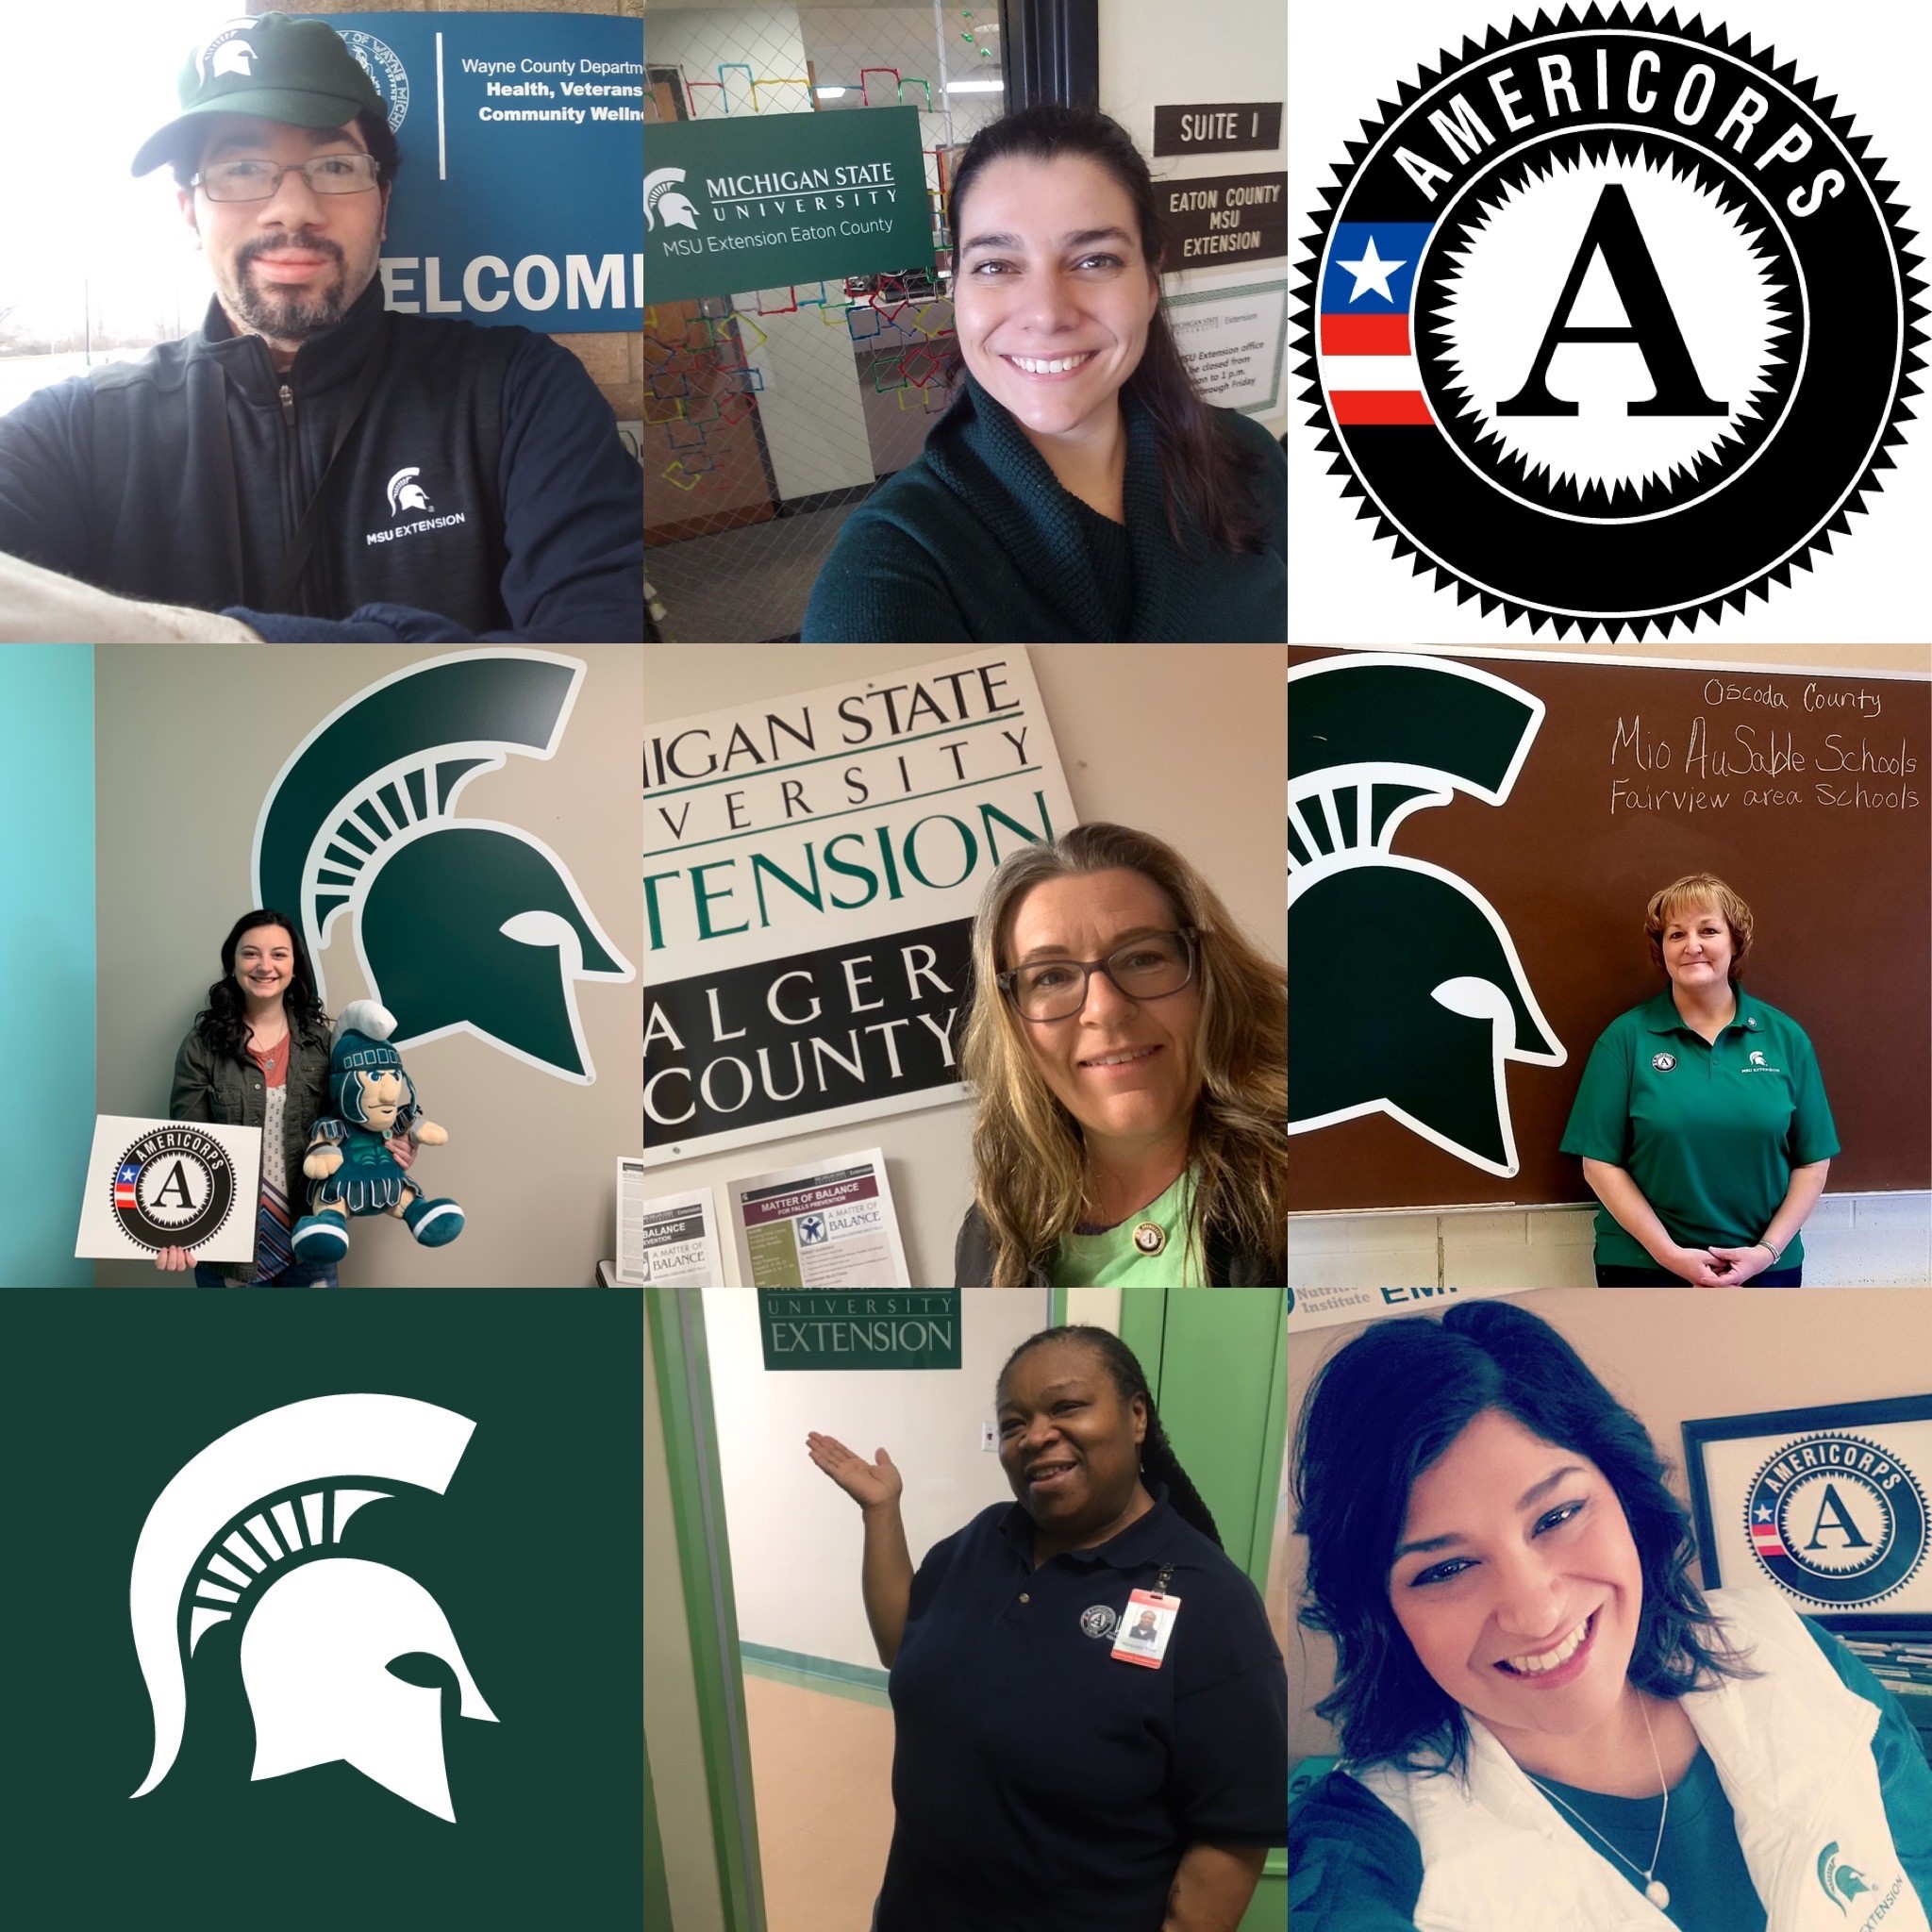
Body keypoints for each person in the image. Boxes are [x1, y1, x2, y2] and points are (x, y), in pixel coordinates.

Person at [1289, 1299, 1932, 1931]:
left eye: (1557, 1516)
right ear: (1379, 1611)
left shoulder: (1785, 1642)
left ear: (1623, 1493)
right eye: (1446, 1569)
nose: (1536, 1612)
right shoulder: (1362, 1862)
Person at [0, 12, 642, 644]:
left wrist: (215, 648)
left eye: (335, 166)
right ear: (189, 213)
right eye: (241, 169)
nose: (293, 210)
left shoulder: (519, 393)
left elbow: (601, 658)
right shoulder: (75, 432)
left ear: (383, 207)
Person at [808, 1324, 1288, 1932]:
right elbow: (901, 1647)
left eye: (1066, 1407)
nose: (1035, 1436)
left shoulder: (1211, 1600)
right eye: (1014, 1423)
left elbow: (1231, 1837)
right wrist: (881, 1513)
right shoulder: (982, 1540)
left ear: (1137, 1416)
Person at [802, 105, 1286, 641]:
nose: (1048, 313)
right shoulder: (894, 564)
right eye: (995, 266)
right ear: (957, 290)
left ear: (1151, 283)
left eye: (1095, 260)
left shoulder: (1247, 457)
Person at [952, 822, 1286, 1287]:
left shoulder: (1315, 1166)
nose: (1105, 1008)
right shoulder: (991, 1238)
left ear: (1208, 978)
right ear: (1012, 1024)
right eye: (1050, 977)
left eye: (1142, 958)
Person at [1560, 874, 1838, 1286]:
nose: (1692, 946)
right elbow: (1599, 1164)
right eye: (1676, 935)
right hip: (1643, 1266)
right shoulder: (1625, 1039)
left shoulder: (1785, 1038)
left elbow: (1812, 1162)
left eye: (1708, 930)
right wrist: (1669, 1254)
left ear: (1735, 942)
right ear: (1662, 950)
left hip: (1765, 1267)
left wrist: (1766, 1252)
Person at [158, 909, 408, 1286]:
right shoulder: (202, 1046)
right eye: (250, 953)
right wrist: (175, 1228)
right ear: (233, 963)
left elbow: (352, 1124)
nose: (264, 966)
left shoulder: (323, 1043)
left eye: (278, 954)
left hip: (311, 1235)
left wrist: (392, 1144)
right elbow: (186, 1146)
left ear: (294, 966)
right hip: (226, 1245)